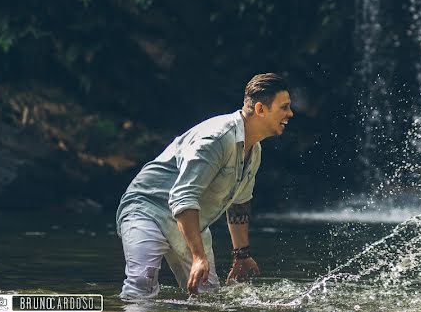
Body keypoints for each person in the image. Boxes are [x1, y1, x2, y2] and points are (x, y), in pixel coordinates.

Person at [115, 72, 294, 299]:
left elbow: (240, 202)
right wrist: (199, 257)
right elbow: (183, 196)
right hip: (147, 210)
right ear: (260, 109)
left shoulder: (254, 150)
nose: (290, 113)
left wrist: (241, 254)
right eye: (284, 107)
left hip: (189, 222)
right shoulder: (217, 138)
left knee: (207, 297)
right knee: (141, 283)